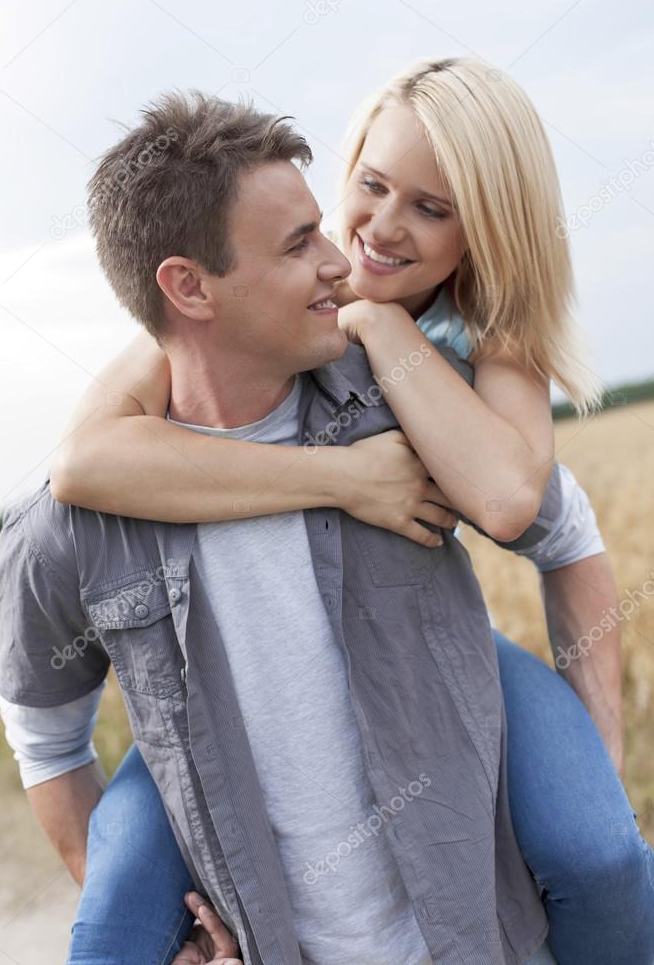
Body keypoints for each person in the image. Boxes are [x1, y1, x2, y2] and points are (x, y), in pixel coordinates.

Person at [48, 61, 654, 964]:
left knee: (599, 851)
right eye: (371, 184)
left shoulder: (487, 339)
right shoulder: (258, 308)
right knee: (117, 925)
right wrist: (344, 477)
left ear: (485, 230)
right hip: (233, 673)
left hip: (423, 642)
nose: (379, 227)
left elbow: (524, 510)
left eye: (433, 209)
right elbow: (84, 460)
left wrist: (382, 326)